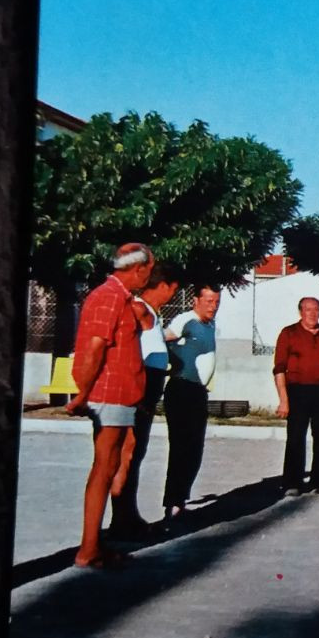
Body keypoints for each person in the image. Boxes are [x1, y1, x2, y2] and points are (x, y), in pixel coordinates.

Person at [62, 242, 153, 568]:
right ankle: (88, 550)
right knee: (103, 468)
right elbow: (94, 349)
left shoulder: (122, 299)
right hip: (109, 394)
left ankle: (97, 542)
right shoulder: (109, 296)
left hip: (121, 394)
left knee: (113, 462)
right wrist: (83, 394)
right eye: (148, 270)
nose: (149, 276)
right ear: (137, 268)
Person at [106, 263, 180, 538]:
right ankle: (120, 519)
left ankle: (128, 513)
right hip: (136, 390)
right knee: (127, 453)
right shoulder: (136, 309)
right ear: (162, 286)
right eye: (172, 290)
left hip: (147, 390)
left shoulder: (150, 313)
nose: (172, 296)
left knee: (136, 454)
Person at [273, 296, 319, 497]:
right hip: (297, 390)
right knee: (295, 437)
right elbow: (279, 369)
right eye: (308, 309)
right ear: (300, 312)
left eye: (316, 310)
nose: (312, 314)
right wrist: (284, 400)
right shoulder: (289, 333)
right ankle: (292, 482)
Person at [161, 284, 220, 518]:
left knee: (195, 448)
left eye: (216, 302)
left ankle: (181, 498)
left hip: (198, 392)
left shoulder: (211, 324)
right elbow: (161, 338)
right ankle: (172, 503)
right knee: (180, 447)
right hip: (180, 389)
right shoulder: (184, 320)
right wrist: (170, 361)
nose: (213, 307)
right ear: (195, 300)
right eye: (208, 302)